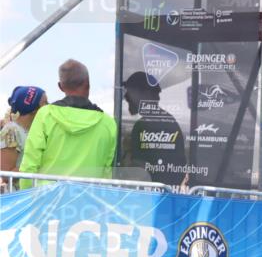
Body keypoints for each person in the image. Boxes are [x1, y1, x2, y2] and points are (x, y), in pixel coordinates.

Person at [19, 60, 117, 188]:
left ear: (60, 86)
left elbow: (29, 165)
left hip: (47, 200)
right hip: (88, 202)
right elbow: (106, 172)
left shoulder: (45, 115)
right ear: (88, 83)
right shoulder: (108, 123)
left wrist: (28, 197)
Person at [121, 71, 188, 187]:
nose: (126, 96)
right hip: (167, 193)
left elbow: (137, 169)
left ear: (145, 94)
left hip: (149, 195)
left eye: (130, 91)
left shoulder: (143, 125)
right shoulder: (169, 120)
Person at [1, 86, 47, 173]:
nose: (49, 106)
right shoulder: (11, 131)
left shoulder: (35, 130)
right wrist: (41, 167)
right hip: (22, 187)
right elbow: (6, 174)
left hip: (34, 186)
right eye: (45, 103)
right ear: (33, 108)